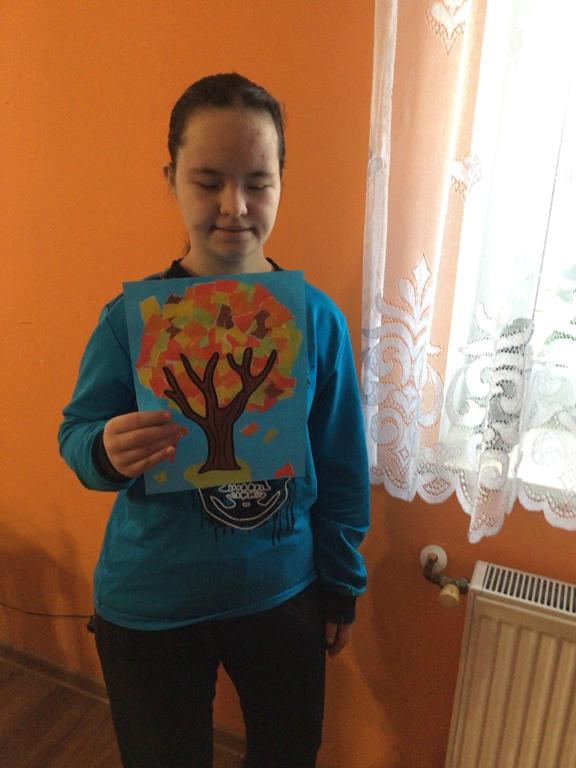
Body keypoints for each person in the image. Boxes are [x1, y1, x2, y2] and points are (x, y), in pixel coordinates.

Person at [58, 73, 370, 768]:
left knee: (289, 752)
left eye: (258, 182)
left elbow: (343, 465)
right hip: (153, 605)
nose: (235, 206)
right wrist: (104, 450)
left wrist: (342, 585)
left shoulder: (315, 321)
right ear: (170, 179)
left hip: (284, 594)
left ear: (282, 182)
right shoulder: (129, 322)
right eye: (208, 182)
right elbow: (76, 434)